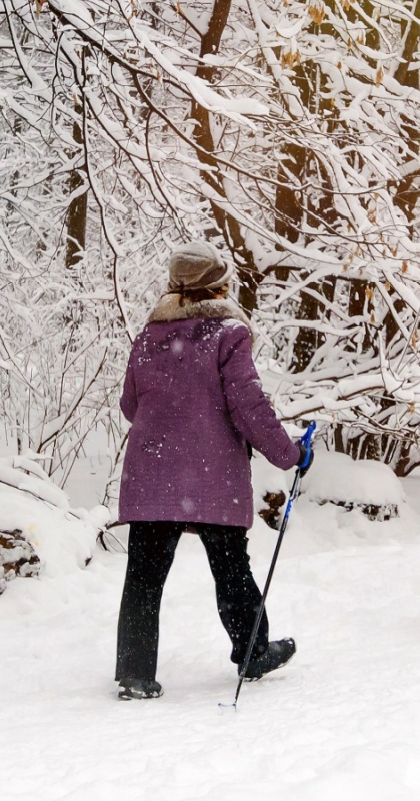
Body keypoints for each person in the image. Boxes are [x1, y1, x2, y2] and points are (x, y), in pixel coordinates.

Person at [113, 242, 312, 701]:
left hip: (152, 476)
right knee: (230, 568)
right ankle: (252, 651)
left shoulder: (147, 337)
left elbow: (129, 406)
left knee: (143, 576)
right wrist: (290, 454)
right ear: (218, 286)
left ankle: (134, 672)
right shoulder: (228, 334)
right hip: (210, 476)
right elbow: (249, 405)